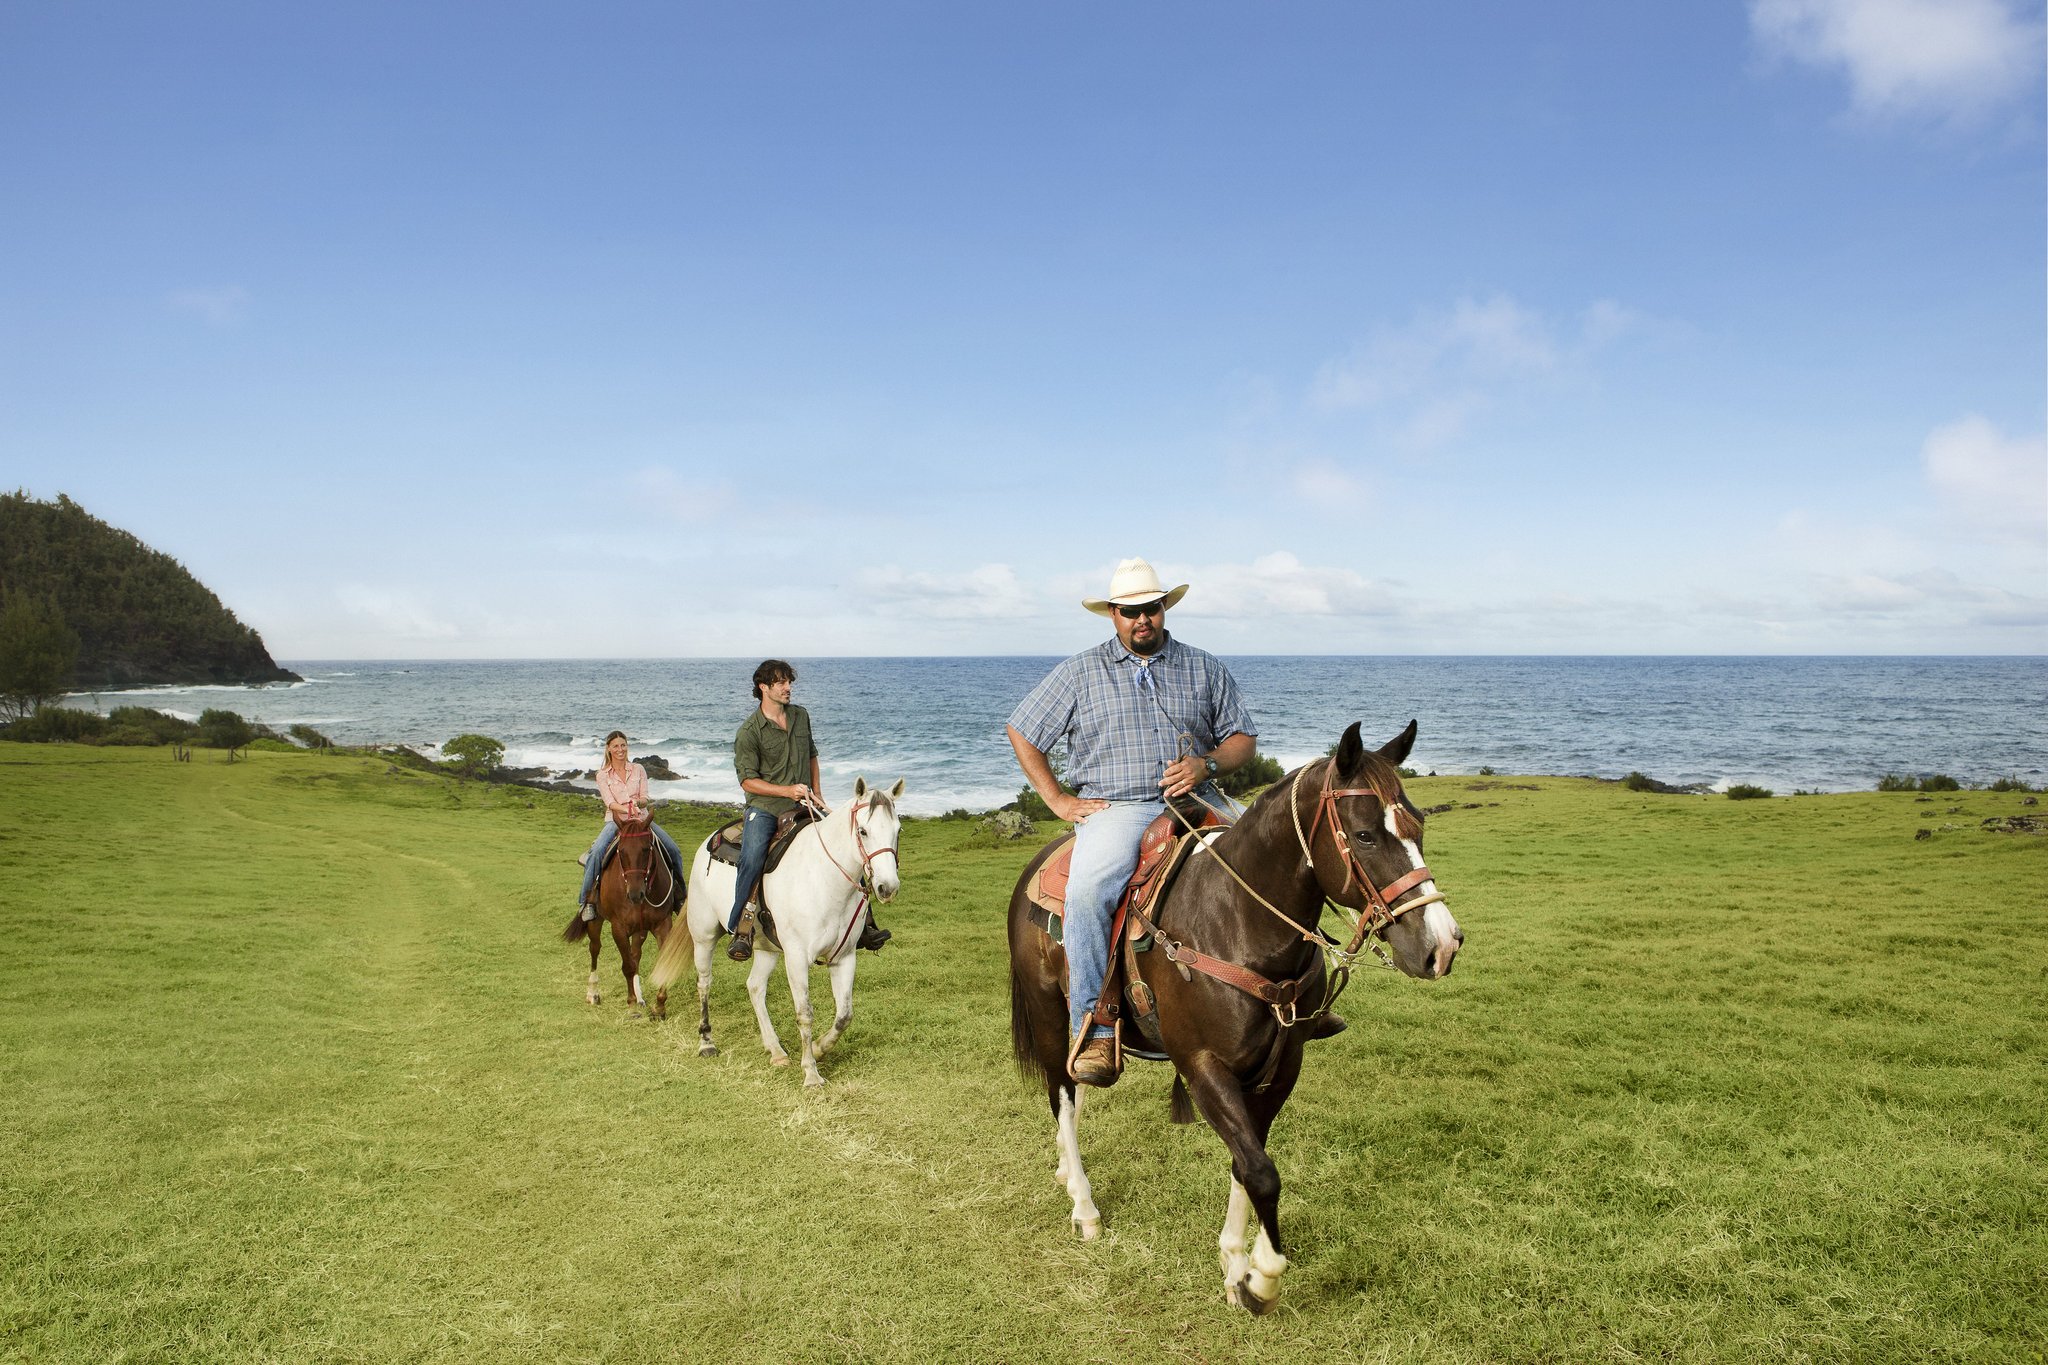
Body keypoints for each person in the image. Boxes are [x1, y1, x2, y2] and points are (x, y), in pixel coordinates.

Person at [1006, 558, 1257, 1087]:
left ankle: (1296, 995)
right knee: (1090, 890)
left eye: (1150, 608)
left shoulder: (1204, 666)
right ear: (1113, 615)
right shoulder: (1079, 671)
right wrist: (1057, 799)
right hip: (1118, 809)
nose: (1141, 619)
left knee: (1265, 861)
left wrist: (1205, 764)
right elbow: (1023, 731)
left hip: (1198, 796)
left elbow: (1243, 740)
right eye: (1129, 611)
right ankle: (1093, 1027)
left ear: (1164, 609)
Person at [726, 660, 892, 961]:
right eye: (781, 683)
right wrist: (787, 790)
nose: (788, 687)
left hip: (804, 803)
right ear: (764, 687)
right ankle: (743, 928)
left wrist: (816, 791)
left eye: (789, 682)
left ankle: (865, 925)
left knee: (852, 844)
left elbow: (812, 755)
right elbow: (747, 781)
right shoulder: (749, 731)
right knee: (751, 857)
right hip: (764, 808)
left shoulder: (800, 716)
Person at [577, 730, 684, 920]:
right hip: (616, 821)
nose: (620, 750)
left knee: (673, 850)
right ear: (609, 749)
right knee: (597, 852)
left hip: (641, 820)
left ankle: (680, 896)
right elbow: (609, 803)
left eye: (623, 745)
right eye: (616, 746)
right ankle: (586, 902)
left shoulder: (639, 769)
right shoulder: (602, 775)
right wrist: (627, 808)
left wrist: (639, 804)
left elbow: (645, 797)